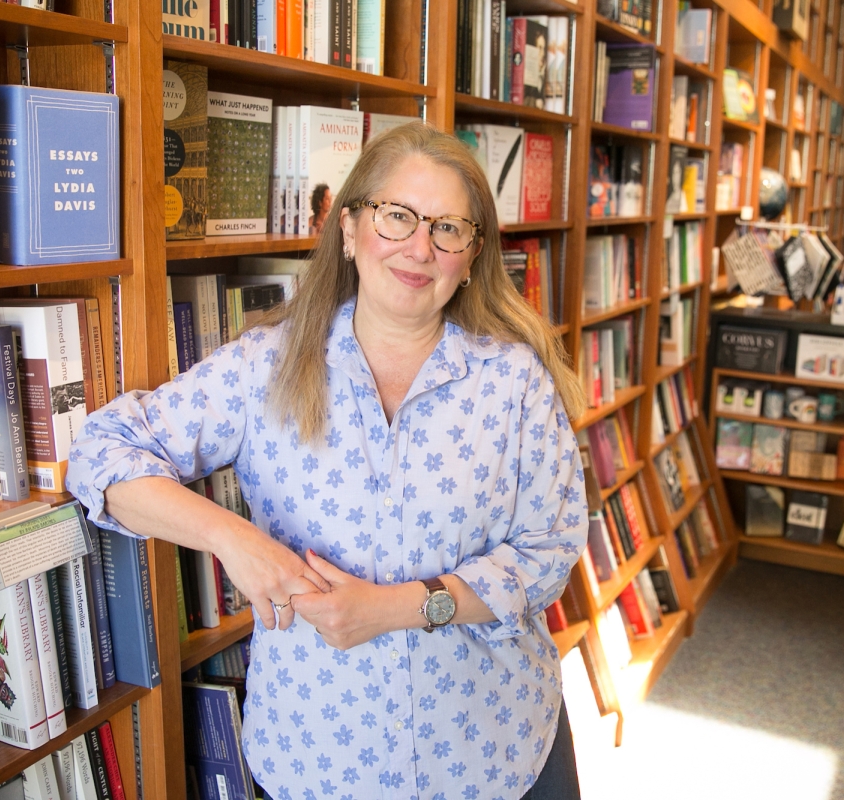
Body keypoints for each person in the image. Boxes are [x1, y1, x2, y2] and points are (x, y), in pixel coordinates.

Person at [67, 123, 589, 800]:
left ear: (472, 254)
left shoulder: (514, 381)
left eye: (448, 229)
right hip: (323, 760)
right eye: (396, 216)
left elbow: (551, 547)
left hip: (497, 750)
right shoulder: (267, 366)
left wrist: (403, 607)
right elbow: (99, 453)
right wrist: (235, 540)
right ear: (349, 229)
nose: (419, 248)